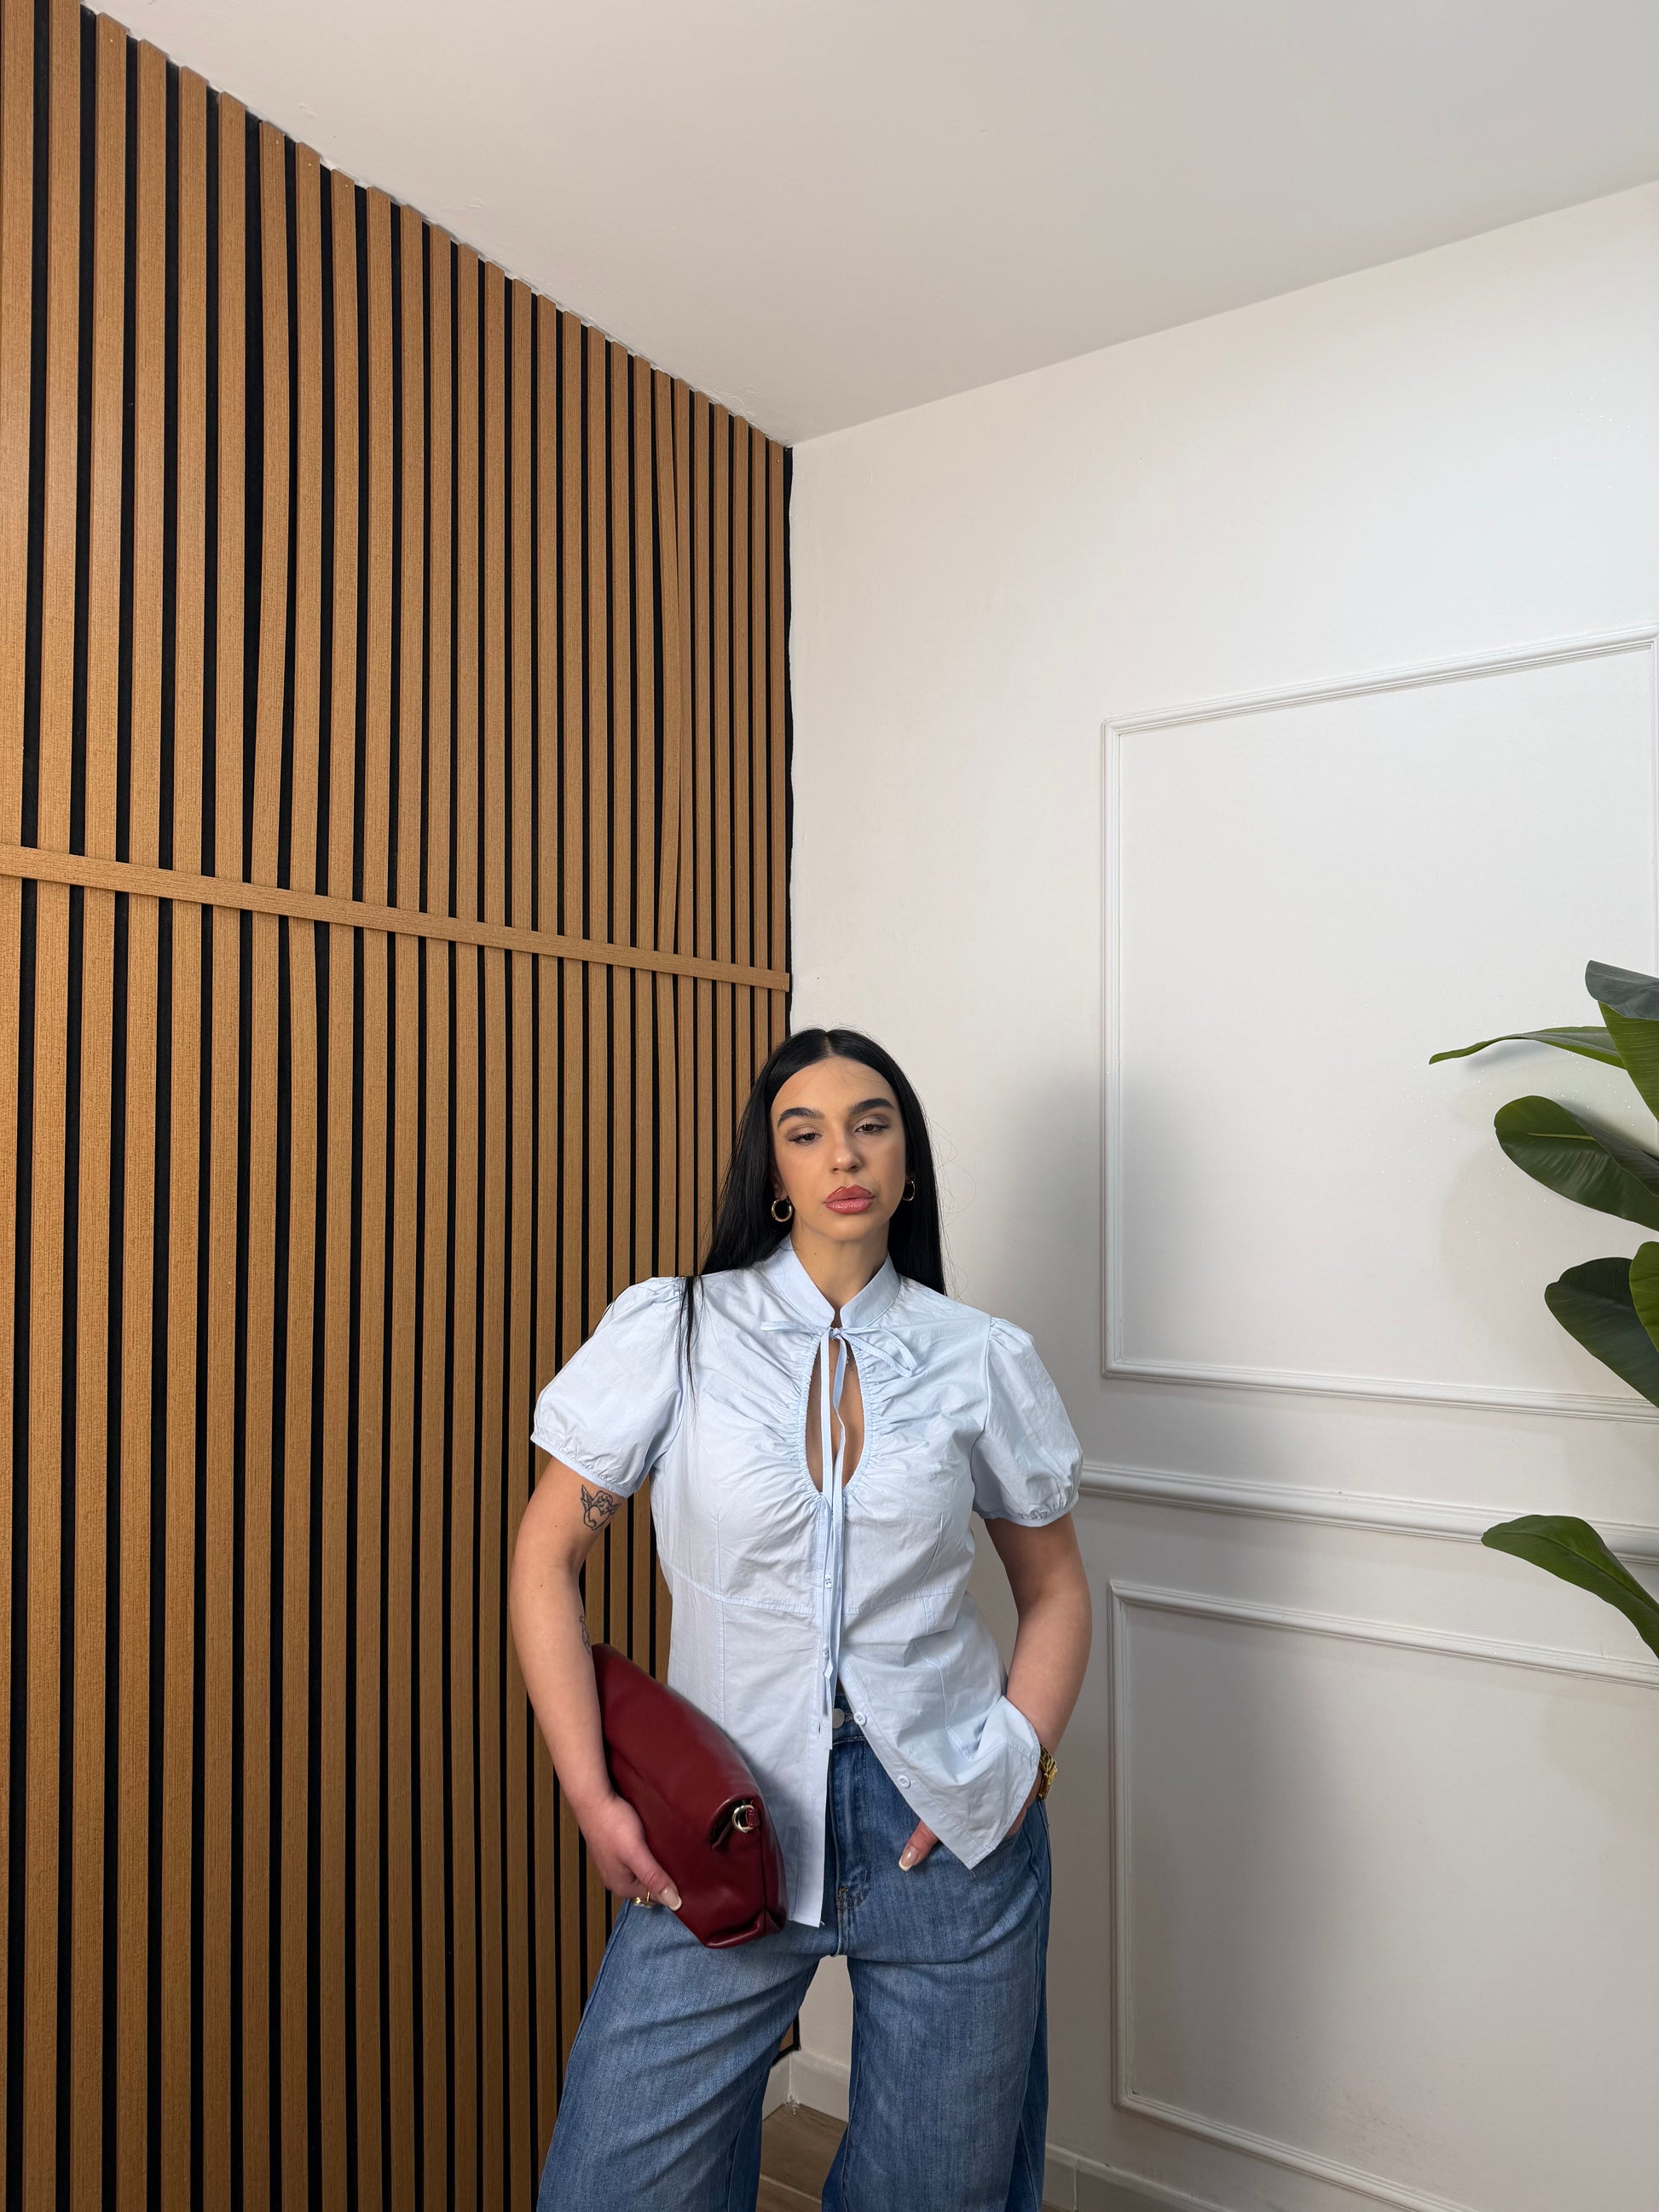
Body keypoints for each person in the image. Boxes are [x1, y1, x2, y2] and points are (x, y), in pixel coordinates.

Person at [509, 1026, 1091, 2212]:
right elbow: (544, 1560)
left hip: (944, 1826)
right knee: (613, 2187)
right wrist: (591, 1792)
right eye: (806, 1130)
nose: (845, 1154)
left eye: (873, 1125)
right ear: (771, 1171)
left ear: (907, 1162)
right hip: (726, 1820)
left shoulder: (978, 1357)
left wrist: (1016, 1762)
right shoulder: (676, 1329)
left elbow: (1056, 1589)